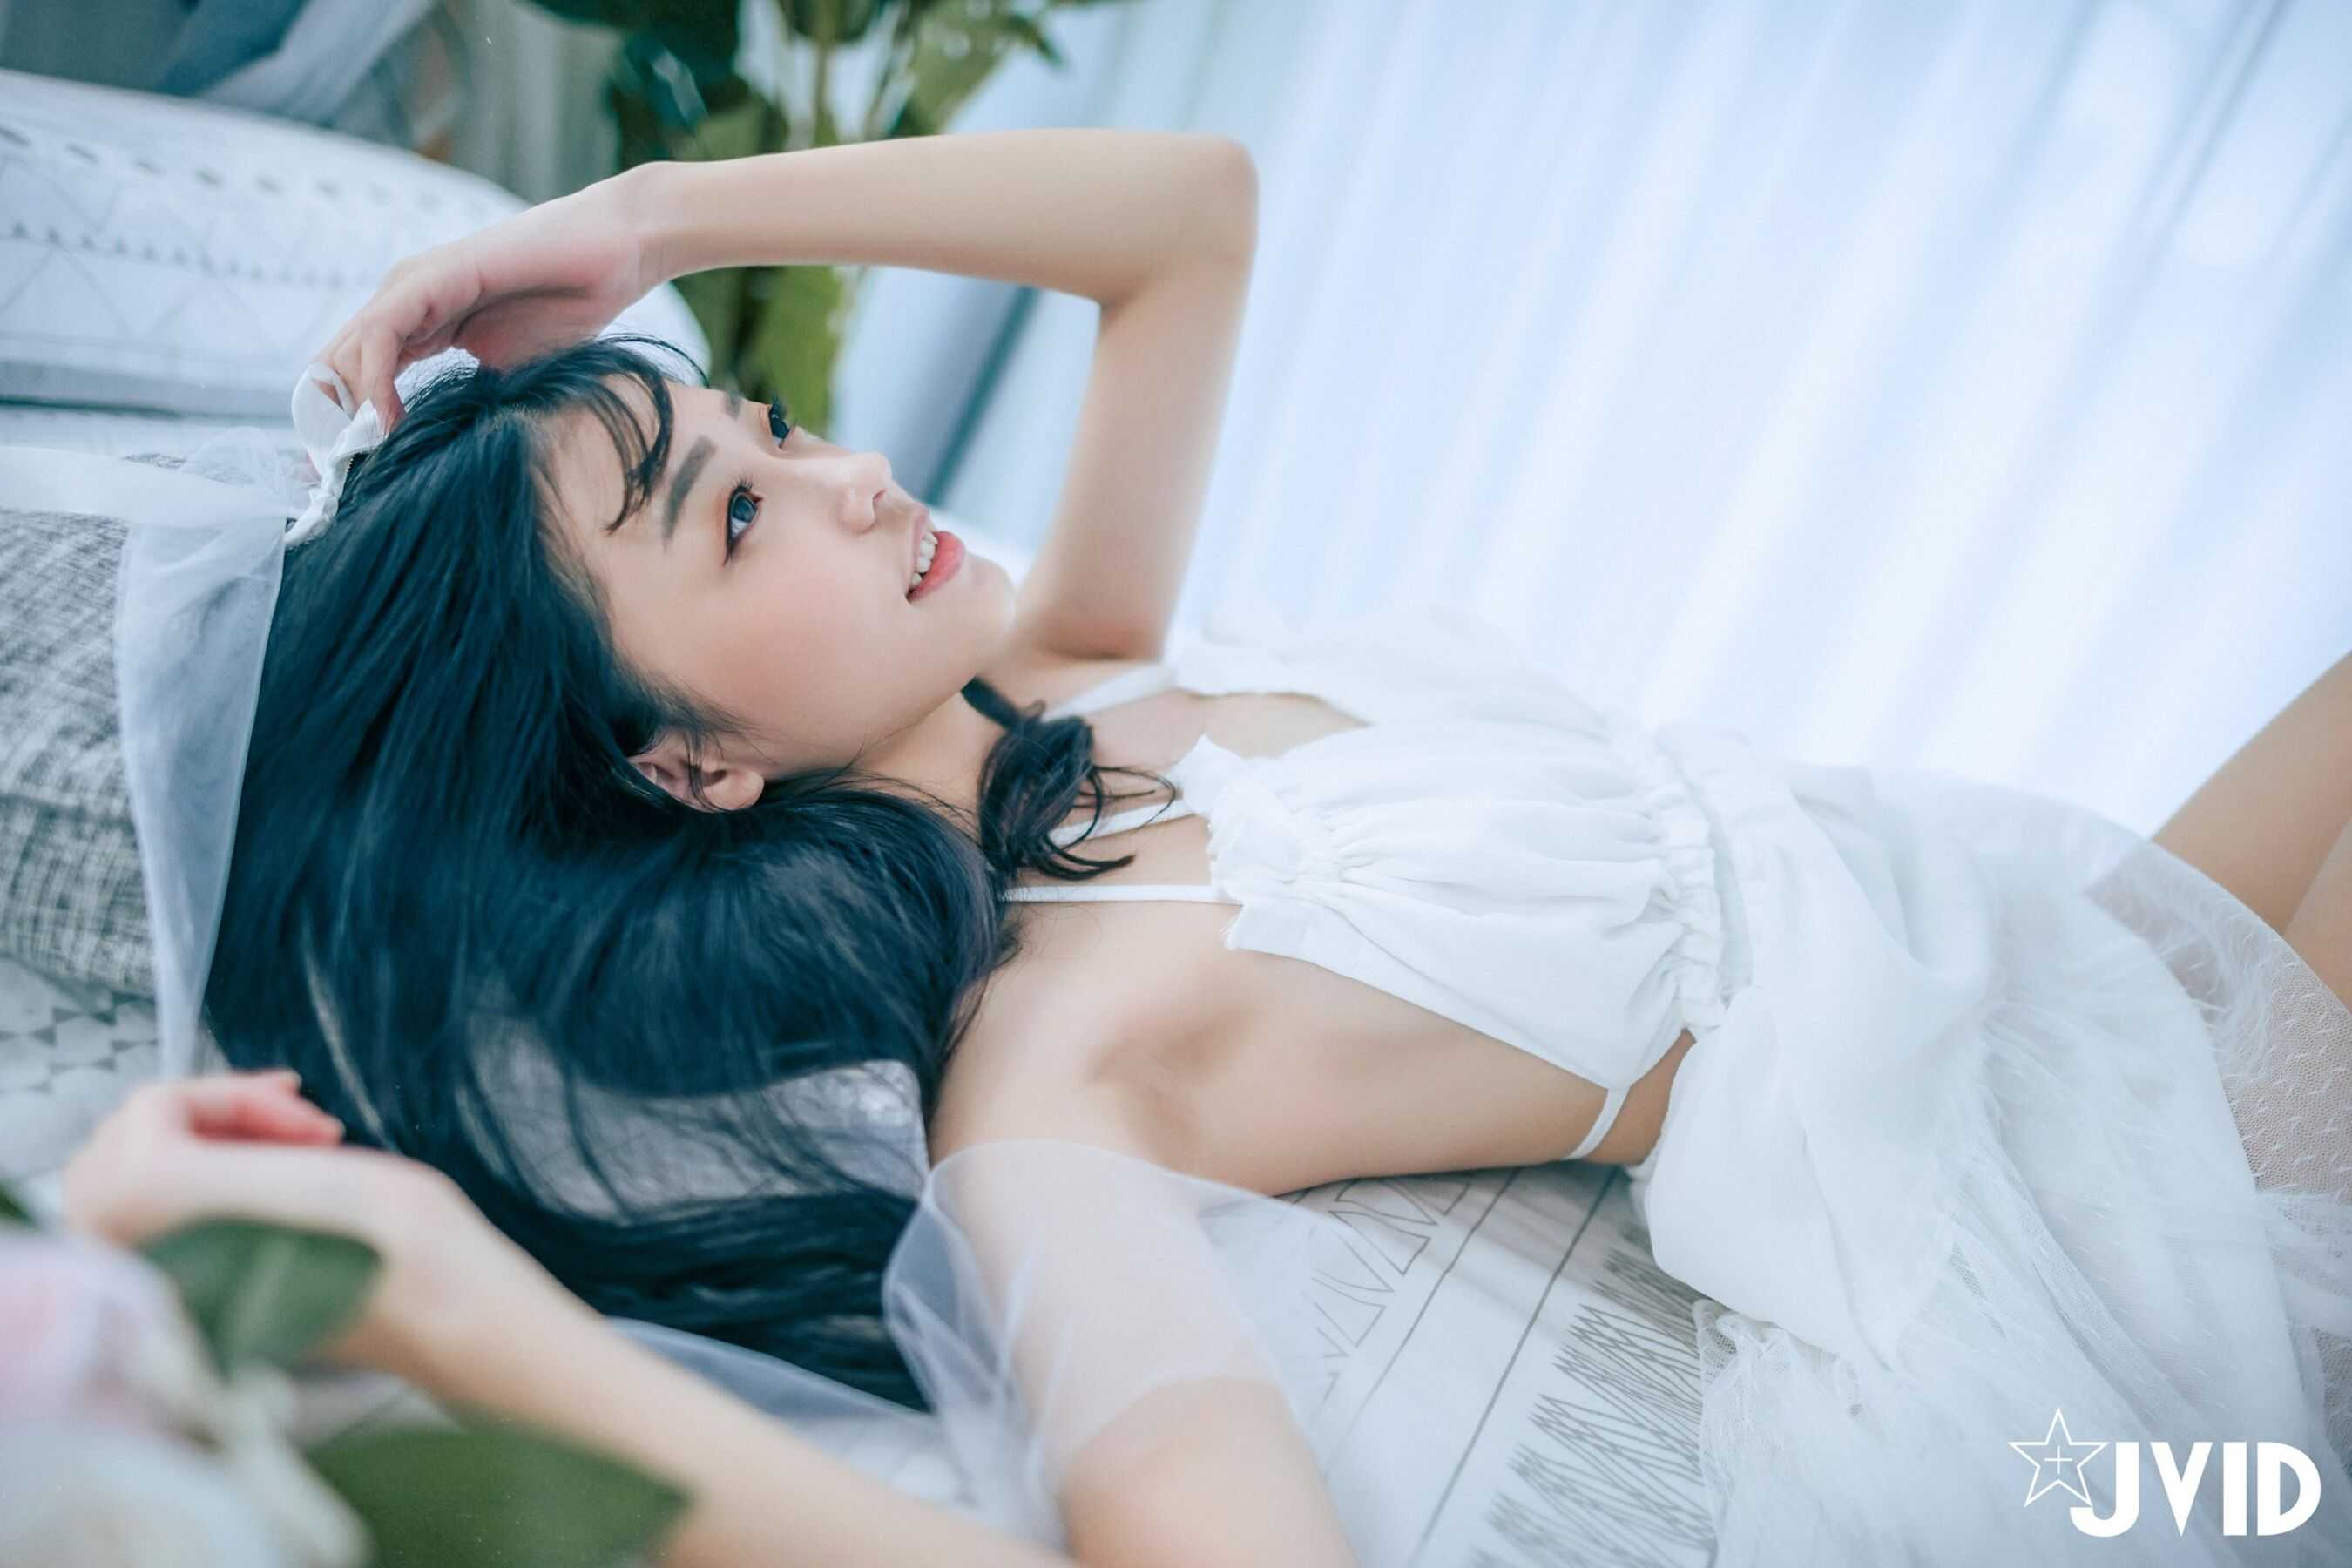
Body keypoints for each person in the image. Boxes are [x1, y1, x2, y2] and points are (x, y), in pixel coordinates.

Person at [53, 129, 2352, 1565]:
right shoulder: (1058, 1081)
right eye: (737, 516)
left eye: (768, 421)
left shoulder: (1074, 663)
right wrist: (445, 1308)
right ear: (679, 767)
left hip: (2075, 959)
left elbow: (1188, 216)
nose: (853, 476)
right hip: (2112, 1218)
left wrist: (651, 217)